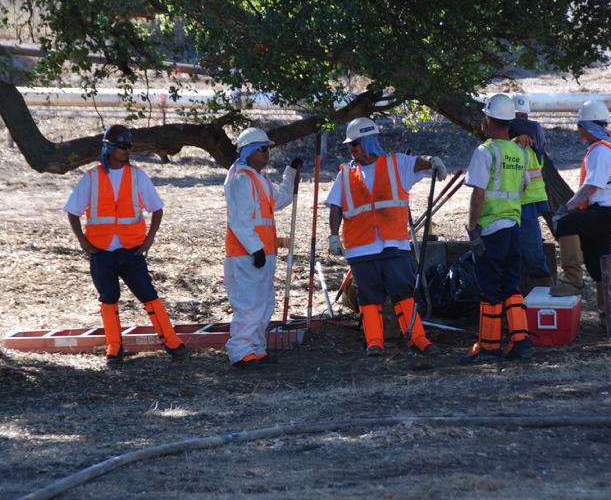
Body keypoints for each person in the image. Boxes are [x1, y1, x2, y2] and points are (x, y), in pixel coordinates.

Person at [326, 117, 447, 362]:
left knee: (404, 294)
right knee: (369, 298)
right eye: (350, 146)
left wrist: (432, 161)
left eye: (356, 145)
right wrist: (332, 236)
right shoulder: (347, 174)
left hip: (394, 244)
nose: (352, 150)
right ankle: (374, 343)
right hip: (360, 249)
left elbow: (417, 163)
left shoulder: (396, 164)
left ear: (369, 142)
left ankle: (417, 339)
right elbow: (335, 207)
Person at [65, 124, 188, 366]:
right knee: (108, 298)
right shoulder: (91, 177)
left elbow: (157, 209)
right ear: (109, 147)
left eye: (129, 146)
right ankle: (114, 348)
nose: (127, 150)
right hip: (101, 250)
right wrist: (83, 241)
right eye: (122, 146)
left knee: (148, 294)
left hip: (131, 249)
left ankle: (172, 342)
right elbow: (72, 211)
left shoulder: (138, 176)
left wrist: (149, 239)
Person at [461, 94, 532, 364]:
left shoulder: (485, 151)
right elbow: (523, 186)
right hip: (515, 228)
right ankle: (520, 341)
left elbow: (478, 195)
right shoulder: (520, 152)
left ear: (489, 120)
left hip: (491, 229)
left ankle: (489, 348)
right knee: (511, 286)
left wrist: (472, 229)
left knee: (490, 288)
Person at [224, 127, 301, 370]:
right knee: (249, 305)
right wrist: (255, 249)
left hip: (262, 254)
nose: (267, 153)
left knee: (264, 303)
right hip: (246, 255)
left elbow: (280, 200)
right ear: (248, 152)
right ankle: (241, 352)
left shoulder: (260, 178)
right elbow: (239, 219)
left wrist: (290, 174)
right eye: (262, 149)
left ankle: (256, 349)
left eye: (268, 149)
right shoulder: (241, 179)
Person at [551, 100, 611, 323]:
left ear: (586, 126)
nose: (578, 131)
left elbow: (591, 186)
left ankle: (572, 280)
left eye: (579, 126)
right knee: (597, 264)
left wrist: (567, 208)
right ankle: (609, 317)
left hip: (605, 213)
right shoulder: (607, 147)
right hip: (608, 213)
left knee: (566, 224)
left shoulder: (600, 151)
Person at [509, 93, 553, 290]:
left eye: (523, 118)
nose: (521, 122)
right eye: (517, 118)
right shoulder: (515, 143)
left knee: (533, 255)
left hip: (526, 206)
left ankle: (543, 300)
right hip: (514, 207)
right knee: (515, 256)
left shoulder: (529, 144)